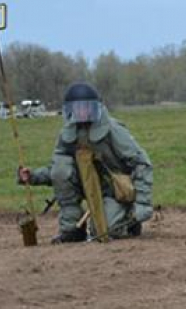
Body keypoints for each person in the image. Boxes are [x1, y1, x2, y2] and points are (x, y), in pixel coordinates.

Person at [18, 82, 154, 243]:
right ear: (70, 110)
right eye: (78, 108)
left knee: (103, 231)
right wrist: (32, 176)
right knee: (61, 167)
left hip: (115, 191)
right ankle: (71, 230)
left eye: (86, 107)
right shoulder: (67, 135)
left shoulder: (113, 130)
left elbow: (141, 163)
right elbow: (58, 172)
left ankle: (130, 220)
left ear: (95, 107)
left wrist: (142, 203)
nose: (82, 112)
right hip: (86, 185)